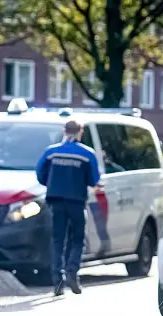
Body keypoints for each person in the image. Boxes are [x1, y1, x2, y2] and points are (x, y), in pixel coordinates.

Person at [36, 120, 102, 296]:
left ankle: (57, 281)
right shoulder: (87, 154)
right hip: (76, 201)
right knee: (77, 238)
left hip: (55, 201)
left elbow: (40, 174)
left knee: (57, 239)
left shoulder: (51, 152)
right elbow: (94, 180)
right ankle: (72, 271)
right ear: (80, 132)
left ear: (64, 131)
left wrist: (53, 184)